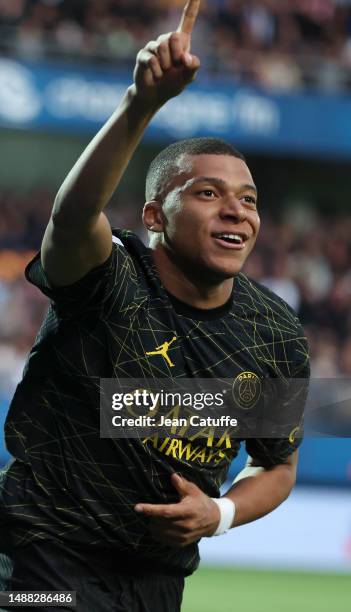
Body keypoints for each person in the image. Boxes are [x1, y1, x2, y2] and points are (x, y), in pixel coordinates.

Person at [0, 1, 309, 610]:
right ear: (152, 217)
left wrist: (218, 514)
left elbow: (277, 466)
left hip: (157, 584)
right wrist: (142, 103)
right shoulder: (110, 275)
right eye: (207, 192)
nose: (236, 211)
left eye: (248, 200)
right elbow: (72, 217)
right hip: (40, 560)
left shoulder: (275, 333)